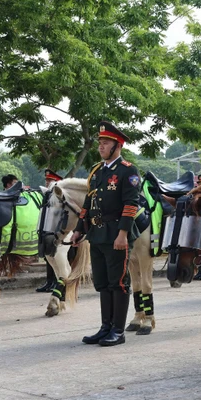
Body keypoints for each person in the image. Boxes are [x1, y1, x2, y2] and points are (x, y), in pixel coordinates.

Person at [71, 122, 141, 347]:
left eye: (106, 143)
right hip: (97, 233)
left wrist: (123, 234)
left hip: (116, 234)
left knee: (118, 283)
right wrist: (79, 229)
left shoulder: (127, 170)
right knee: (102, 283)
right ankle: (105, 327)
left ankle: (118, 331)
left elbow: (131, 205)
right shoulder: (97, 171)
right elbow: (88, 202)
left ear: (117, 146)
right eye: (100, 143)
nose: (101, 147)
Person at [39, 169, 65, 293]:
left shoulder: (59, 194)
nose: (47, 182)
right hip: (47, 229)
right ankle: (50, 281)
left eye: (50, 180)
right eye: (47, 180)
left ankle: (56, 281)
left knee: (57, 257)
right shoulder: (48, 193)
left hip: (58, 231)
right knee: (48, 257)